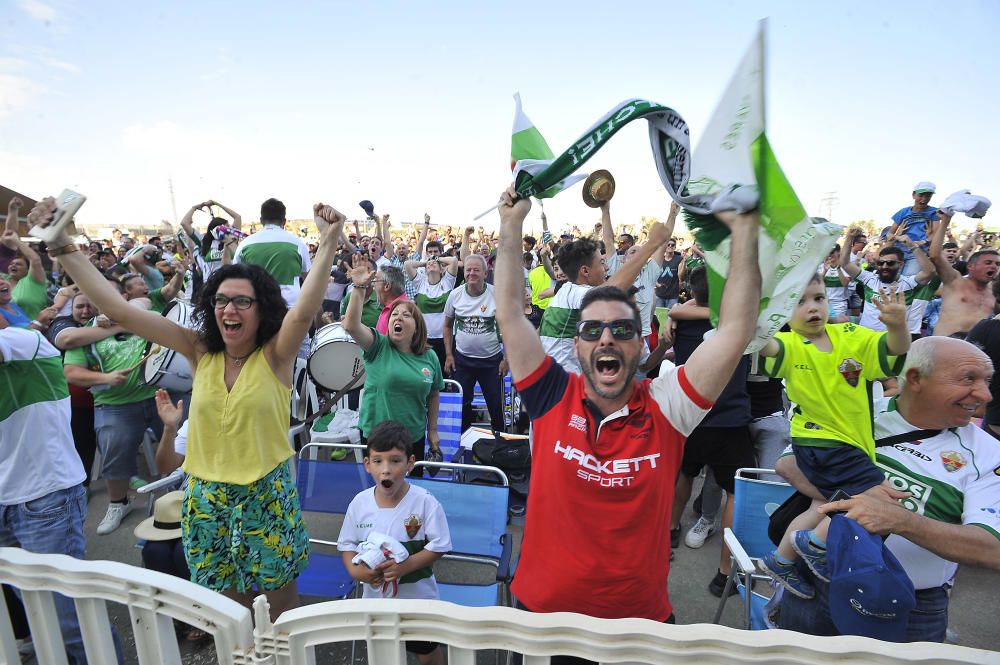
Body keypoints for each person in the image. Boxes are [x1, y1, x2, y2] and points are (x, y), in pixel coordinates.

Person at [28, 196, 345, 620]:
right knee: (228, 608)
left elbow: (304, 311)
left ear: (262, 309)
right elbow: (118, 308)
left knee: (278, 608)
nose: (228, 309)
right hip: (206, 497)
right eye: (220, 300)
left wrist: (328, 242)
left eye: (242, 301)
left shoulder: (277, 354)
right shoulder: (198, 350)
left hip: (265, 496)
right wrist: (63, 245)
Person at [494, 184, 761, 628]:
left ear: (641, 343)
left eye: (621, 329)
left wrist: (745, 233)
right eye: (593, 329)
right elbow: (509, 312)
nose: (606, 338)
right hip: (545, 619)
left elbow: (736, 330)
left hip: (638, 626)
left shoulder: (669, 406)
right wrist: (510, 223)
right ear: (577, 346)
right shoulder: (551, 395)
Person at [777, 336, 1000, 642]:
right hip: (818, 585)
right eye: (968, 379)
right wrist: (865, 500)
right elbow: (789, 464)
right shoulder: (857, 413)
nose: (985, 395)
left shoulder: (990, 454)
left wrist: (898, 519)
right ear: (914, 378)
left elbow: (991, 549)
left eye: (987, 381)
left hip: (910, 606)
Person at [757, 275, 910, 598]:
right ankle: (814, 544)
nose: (812, 308)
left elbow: (891, 352)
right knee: (875, 499)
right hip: (825, 444)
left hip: (843, 445)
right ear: (782, 313)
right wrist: (753, 326)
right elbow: (767, 345)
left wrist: (897, 326)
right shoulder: (790, 344)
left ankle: (781, 560)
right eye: (798, 302)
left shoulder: (851, 335)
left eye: (818, 298)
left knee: (821, 504)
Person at [0, 326, 119, 665]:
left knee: (71, 622)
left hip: (45, 498)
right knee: (39, 615)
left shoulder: (25, 341)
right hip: (5, 500)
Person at [666, 267, 755, 596]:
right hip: (730, 416)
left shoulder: (684, 319)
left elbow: (677, 308)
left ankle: (671, 529)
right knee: (736, 491)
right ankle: (724, 573)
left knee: (685, 473)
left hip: (692, 413)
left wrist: (676, 313)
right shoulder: (740, 323)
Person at [338, 420, 451, 665]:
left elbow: (440, 545)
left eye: (395, 460)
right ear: (367, 464)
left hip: (419, 604)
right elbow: (346, 545)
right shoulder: (359, 503)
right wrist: (356, 570)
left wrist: (405, 566)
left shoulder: (424, 502)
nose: (386, 470)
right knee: (383, 654)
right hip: (377, 605)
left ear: (410, 462)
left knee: (427, 653)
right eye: (378, 461)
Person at [540, 202, 669, 374]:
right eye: (601, 263)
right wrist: (652, 244)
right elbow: (610, 292)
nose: (607, 268)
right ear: (585, 271)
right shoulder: (575, 293)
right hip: (565, 390)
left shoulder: (566, 292)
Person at [342, 254, 445, 470]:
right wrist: (359, 288)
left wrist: (433, 431)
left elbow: (434, 394)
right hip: (376, 436)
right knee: (379, 494)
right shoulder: (378, 347)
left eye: (405, 315)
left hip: (412, 437)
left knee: (409, 494)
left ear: (417, 327)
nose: (398, 317)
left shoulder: (430, 357)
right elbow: (351, 325)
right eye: (394, 315)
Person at [443, 246, 507, 433]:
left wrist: (506, 359)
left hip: (491, 361)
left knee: (495, 405)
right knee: (462, 404)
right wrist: (449, 355)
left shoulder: (496, 294)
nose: (471, 273)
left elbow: (508, 329)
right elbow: (447, 326)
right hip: (462, 360)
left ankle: (500, 442)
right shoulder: (455, 295)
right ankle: (464, 442)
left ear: (485, 273)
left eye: (476, 270)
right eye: (468, 270)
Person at [840, 230, 934, 337]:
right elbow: (845, 263)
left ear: (901, 264)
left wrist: (912, 246)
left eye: (890, 263)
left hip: (892, 342)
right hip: (865, 339)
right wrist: (849, 238)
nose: (884, 266)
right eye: (881, 263)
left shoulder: (909, 283)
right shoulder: (869, 279)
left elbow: (929, 271)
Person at [928, 210, 998, 338]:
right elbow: (935, 255)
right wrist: (945, 222)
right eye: (988, 262)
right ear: (970, 266)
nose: (994, 266)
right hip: (944, 346)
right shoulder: (955, 281)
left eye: (997, 264)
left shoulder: (995, 291)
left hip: (976, 351)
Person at [232, 198, 311, 308]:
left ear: (261, 220)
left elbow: (235, 277)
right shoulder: (298, 244)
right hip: (289, 310)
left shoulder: (245, 244)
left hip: (256, 308)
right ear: (284, 221)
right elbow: (309, 281)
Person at [405, 251, 459, 372]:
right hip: (425, 338)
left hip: (447, 338)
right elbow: (408, 264)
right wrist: (426, 262)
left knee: (446, 374)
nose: (431, 264)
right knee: (427, 374)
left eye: (435, 263)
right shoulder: (420, 283)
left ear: (441, 270)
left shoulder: (448, 282)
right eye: (429, 264)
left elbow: (454, 261)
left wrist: (436, 259)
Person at [888, 181, 938, 277]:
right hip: (899, 251)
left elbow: (936, 234)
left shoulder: (934, 212)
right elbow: (889, 234)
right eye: (921, 195)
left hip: (918, 252)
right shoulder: (903, 212)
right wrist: (899, 237)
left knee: (909, 280)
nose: (924, 199)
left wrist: (923, 241)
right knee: (893, 279)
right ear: (913, 195)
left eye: (928, 196)